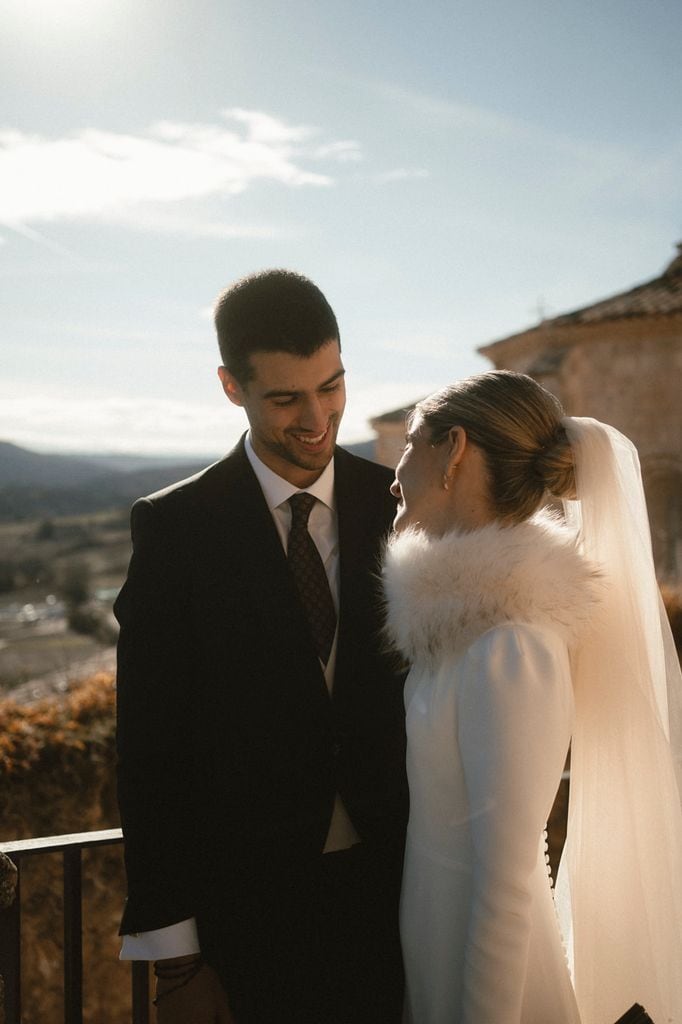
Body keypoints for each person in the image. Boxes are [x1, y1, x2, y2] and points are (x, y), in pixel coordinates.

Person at [115, 269, 408, 1023]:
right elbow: (151, 755)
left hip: (406, 901)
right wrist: (178, 969)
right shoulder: (176, 530)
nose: (318, 419)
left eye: (332, 387)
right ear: (230, 387)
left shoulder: (403, 507)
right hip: (246, 924)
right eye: (285, 398)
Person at [382, 370, 682, 1024]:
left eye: (410, 443)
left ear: (453, 450)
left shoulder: (513, 647)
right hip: (434, 967)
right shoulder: (455, 636)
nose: (395, 470)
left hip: (499, 993)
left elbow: (508, 883)